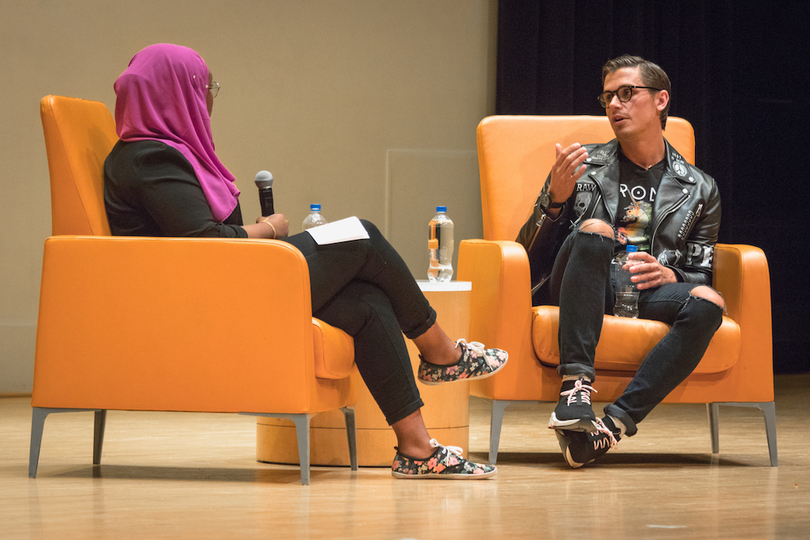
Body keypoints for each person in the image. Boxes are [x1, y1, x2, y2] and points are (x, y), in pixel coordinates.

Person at [104, 43, 508, 480]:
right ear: (175, 93)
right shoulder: (150, 157)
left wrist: (257, 236)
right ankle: (442, 353)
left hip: (224, 283)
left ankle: (417, 449)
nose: (210, 98)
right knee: (362, 235)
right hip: (205, 302)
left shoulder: (167, 152)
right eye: (205, 87)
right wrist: (271, 230)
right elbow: (204, 242)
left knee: (368, 301)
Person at [516, 55, 725, 468]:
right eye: (609, 96)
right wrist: (554, 200)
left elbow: (701, 271)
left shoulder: (700, 187)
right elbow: (527, 257)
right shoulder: (583, 166)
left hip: (643, 289)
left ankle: (611, 427)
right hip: (581, 281)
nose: (615, 104)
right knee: (595, 230)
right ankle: (575, 391)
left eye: (627, 93)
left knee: (709, 302)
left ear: (661, 99)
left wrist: (671, 273)